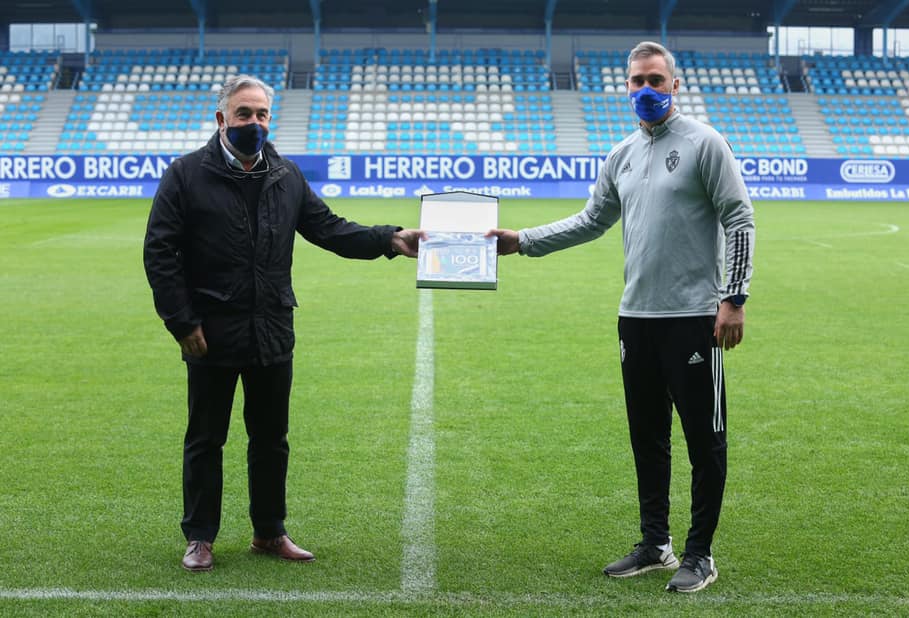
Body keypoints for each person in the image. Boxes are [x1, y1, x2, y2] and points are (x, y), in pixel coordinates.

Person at [488, 41, 754, 593]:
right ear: (626, 87)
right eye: (637, 81)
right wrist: (523, 241)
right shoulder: (622, 154)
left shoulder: (705, 144)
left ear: (674, 85)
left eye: (656, 79)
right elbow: (591, 220)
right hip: (636, 318)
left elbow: (739, 218)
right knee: (648, 437)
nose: (647, 90)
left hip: (694, 318)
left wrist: (734, 298)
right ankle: (655, 543)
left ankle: (699, 554)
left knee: (705, 441)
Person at [143, 74, 423, 572]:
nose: (254, 123)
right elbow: (160, 253)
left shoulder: (287, 175)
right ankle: (200, 537)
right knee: (207, 438)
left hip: (272, 326)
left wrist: (389, 239)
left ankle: (269, 532)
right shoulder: (185, 175)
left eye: (262, 114)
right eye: (245, 113)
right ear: (222, 119)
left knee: (271, 438)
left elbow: (329, 228)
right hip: (210, 331)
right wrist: (182, 322)